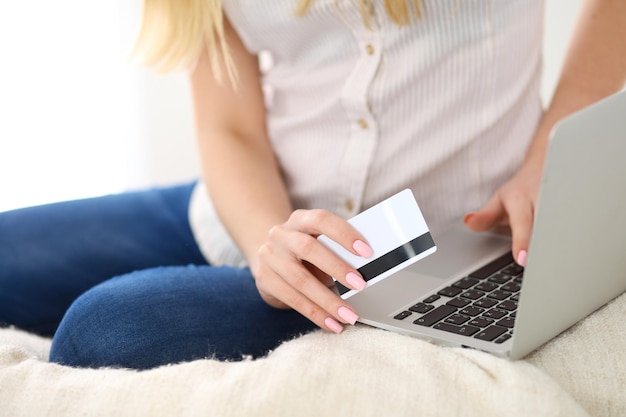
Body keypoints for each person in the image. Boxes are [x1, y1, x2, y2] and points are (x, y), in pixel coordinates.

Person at [0, 0, 624, 370]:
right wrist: (271, 247)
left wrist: (553, 147)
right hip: (248, 214)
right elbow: (229, 126)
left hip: (433, 248)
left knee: (105, 332)